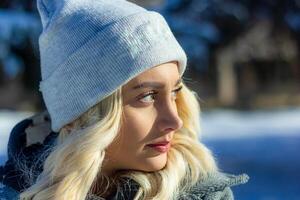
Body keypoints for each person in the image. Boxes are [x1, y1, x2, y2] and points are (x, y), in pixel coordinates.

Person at [0, 0, 249, 199]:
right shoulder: (12, 191)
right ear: (84, 113)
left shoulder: (204, 196)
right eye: (148, 96)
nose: (174, 121)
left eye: (174, 92)